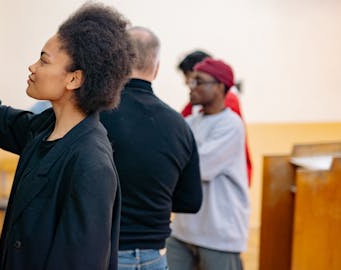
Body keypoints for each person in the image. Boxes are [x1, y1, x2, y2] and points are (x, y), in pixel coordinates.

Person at [0, 2, 135, 270]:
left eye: (44, 60)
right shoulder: (45, 127)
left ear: (74, 79)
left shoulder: (91, 162)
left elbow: (80, 262)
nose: (33, 67)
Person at [100, 26, 202, 270]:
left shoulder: (95, 116)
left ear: (118, 63)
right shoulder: (180, 125)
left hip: (106, 254)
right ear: (156, 69)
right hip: (155, 257)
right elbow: (191, 201)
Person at [167, 58, 250, 270]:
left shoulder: (231, 125)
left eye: (198, 82)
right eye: (190, 81)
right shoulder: (189, 122)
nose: (190, 86)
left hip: (219, 234)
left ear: (220, 87)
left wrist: (171, 163)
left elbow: (199, 169)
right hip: (183, 231)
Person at [177, 50, 252, 186]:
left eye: (196, 80)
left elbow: (202, 165)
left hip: (224, 195)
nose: (188, 85)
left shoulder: (229, 117)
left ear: (219, 87)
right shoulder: (194, 117)